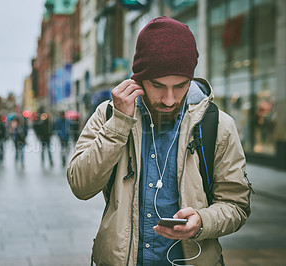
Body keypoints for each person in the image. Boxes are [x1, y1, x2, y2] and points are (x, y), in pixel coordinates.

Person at [67, 16, 252, 266]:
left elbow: (236, 205)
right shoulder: (109, 115)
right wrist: (119, 124)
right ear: (139, 79)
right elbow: (81, 185)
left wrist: (202, 220)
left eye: (180, 86)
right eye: (158, 85)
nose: (168, 99)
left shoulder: (218, 125)